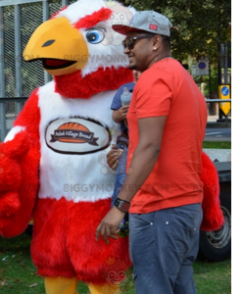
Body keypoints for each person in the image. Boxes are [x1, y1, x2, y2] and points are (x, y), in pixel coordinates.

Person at [96, 11, 208, 294]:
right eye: (124, 42)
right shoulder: (183, 78)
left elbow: (150, 146)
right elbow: (170, 142)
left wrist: (119, 207)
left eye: (132, 41)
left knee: (153, 287)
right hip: (185, 207)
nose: (126, 48)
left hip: (161, 208)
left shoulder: (154, 79)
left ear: (156, 42)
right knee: (180, 286)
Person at [107, 70, 141, 236]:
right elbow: (114, 115)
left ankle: (137, 218)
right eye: (133, 70)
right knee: (122, 180)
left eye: (140, 70)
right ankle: (119, 219)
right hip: (127, 144)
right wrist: (120, 114)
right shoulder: (125, 89)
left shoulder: (153, 88)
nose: (135, 72)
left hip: (146, 143)